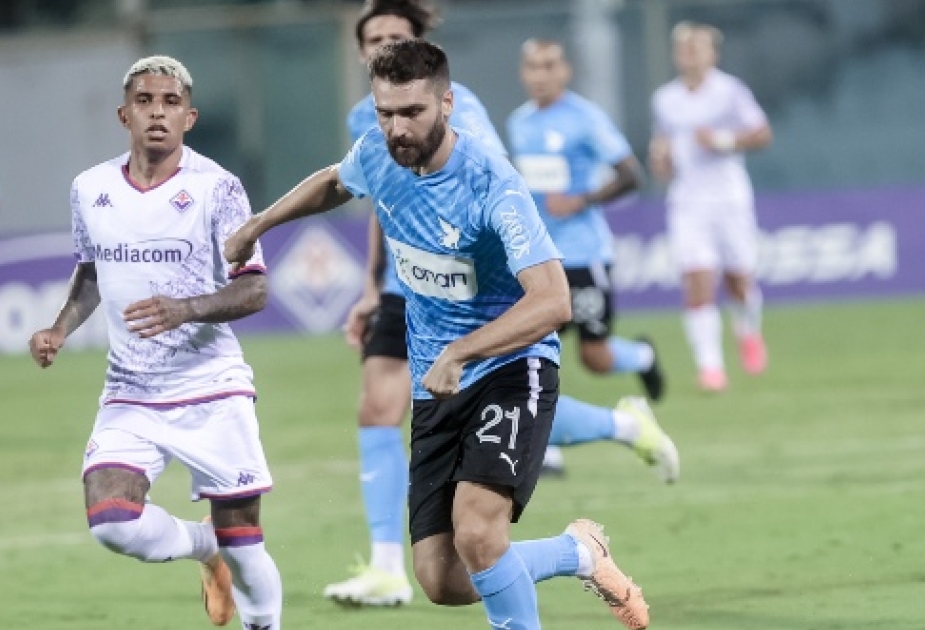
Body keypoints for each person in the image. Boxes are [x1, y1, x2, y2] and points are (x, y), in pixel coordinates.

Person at [227, 40, 652, 630]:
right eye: (385, 113)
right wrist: (259, 223)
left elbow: (553, 301)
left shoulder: (491, 183)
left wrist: (462, 350)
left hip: (510, 366)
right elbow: (335, 182)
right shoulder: (378, 153)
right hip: (438, 384)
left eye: (412, 112)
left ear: (446, 104)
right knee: (444, 580)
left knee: (478, 533)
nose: (397, 128)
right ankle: (578, 553)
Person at [328, 1, 678, 608]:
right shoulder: (371, 119)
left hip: (484, 293)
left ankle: (622, 423)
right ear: (363, 53)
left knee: (481, 518)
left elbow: (483, 186)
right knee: (379, 418)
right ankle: (394, 562)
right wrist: (371, 285)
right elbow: (379, 196)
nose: (383, 45)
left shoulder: (462, 117)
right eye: (373, 38)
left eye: (395, 34)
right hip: (409, 292)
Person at [27, 56, 281, 629]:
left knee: (245, 545)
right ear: (125, 115)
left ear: (189, 117)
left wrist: (184, 309)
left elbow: (255, 289)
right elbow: (92, 272)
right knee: (113, 523)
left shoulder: (217, 188)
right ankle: (204, 546)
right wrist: (59, 328)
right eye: (145, 101)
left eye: (171, 102)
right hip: (131, 388)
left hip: (211, 385)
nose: (158, 113)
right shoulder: (90, 188)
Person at [508, 38, 666, 470]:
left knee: (594, 357)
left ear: (565, 71)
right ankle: (545, 448)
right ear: (523, 73)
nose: (540, 75)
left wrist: (581, 200)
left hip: (582, 254)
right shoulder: (519, 122)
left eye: (549, 65)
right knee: (527, 353)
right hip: (536, 257)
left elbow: (631, 174)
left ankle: (642, 356)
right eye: (533, 66)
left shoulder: (585, 118)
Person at [649, 21, 773, 392]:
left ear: (712, 54)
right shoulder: (665, 99)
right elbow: (663, 149)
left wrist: (721, 140)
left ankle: (748, 330)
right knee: (697, 278)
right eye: (684, 47)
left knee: (738, 279)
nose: (689, 54)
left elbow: (762, 133)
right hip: (688, 201)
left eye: (697, 47)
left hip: (729, 197)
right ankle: (710, 367)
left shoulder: (730, 91)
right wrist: (661, 160)